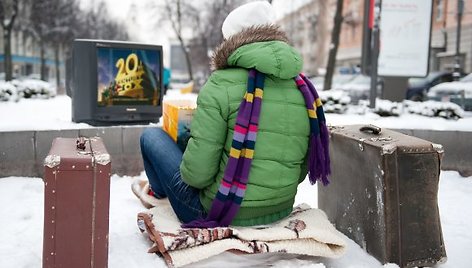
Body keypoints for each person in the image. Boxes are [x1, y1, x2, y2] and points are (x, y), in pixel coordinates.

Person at [134, 1, 329, 227]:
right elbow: (300, 168)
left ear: (232, 41)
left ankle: (158, 194)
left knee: (151, 136)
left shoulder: (221, 84)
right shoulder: (302, 87)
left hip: (220, 211)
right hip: (280, 208)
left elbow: (196, 176)